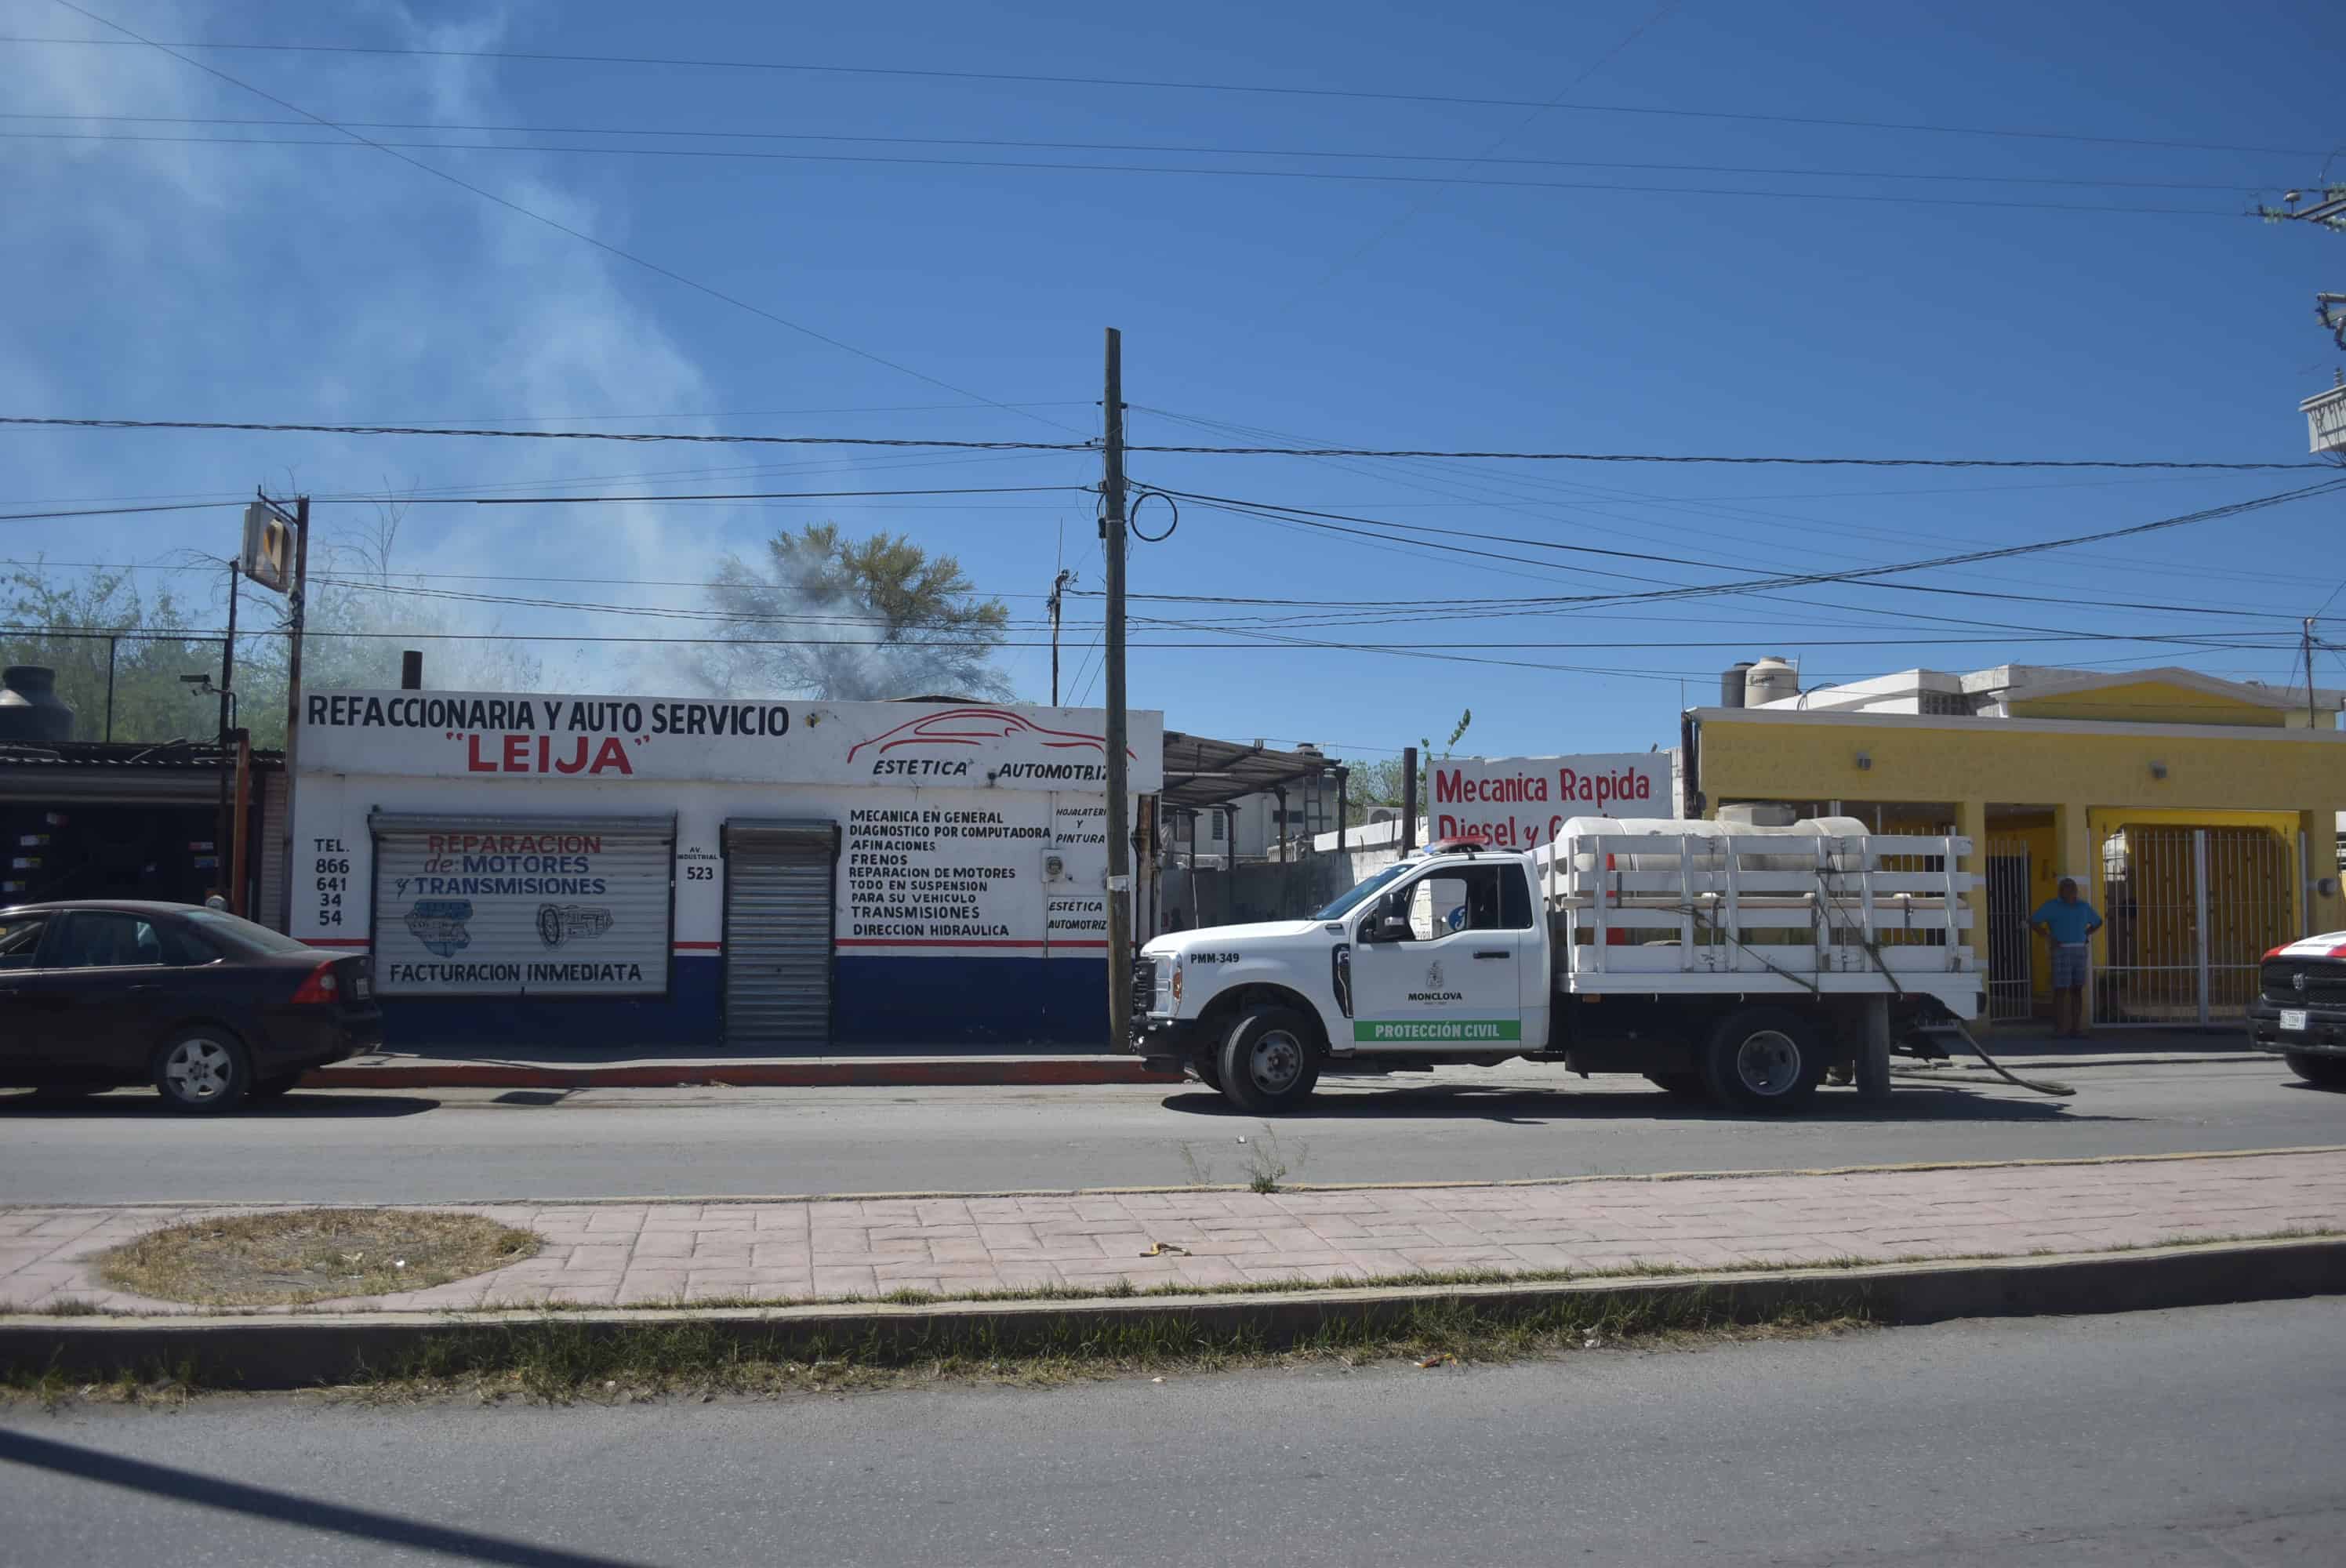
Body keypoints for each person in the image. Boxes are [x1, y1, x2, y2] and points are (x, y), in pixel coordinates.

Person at [2030, 877, 2104, 1040]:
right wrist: (2048, 936)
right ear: (2060, 892)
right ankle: (2059, 1029)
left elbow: (2098, 922)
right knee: (2060, 990)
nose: (2071, 892)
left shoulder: (2084, 906)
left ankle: (2075, 1028)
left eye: (2073, 889)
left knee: (2077, 989)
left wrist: (2087, 934)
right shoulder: (2052, 906)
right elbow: (2033, 921)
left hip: (2079, 951)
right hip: (2060, 951)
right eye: (2067, 889)